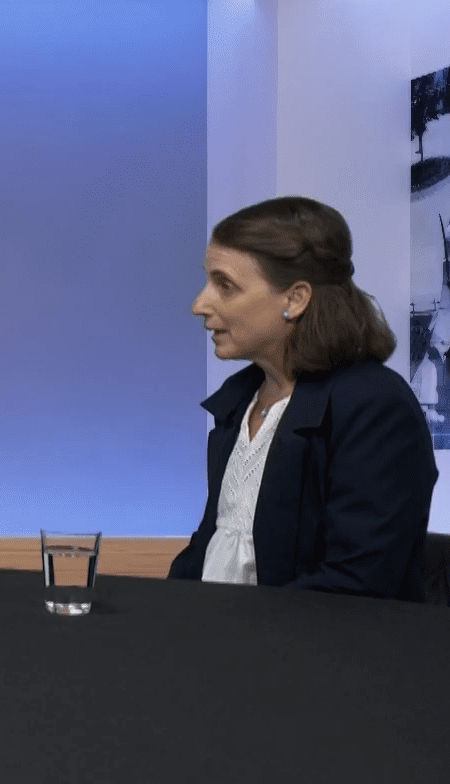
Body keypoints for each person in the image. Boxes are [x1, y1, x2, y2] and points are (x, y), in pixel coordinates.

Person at [169, 196, 437, 599]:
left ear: (295, 299)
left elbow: (355, 585)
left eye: (225, 285)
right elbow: (211, 549)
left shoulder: (376, 406)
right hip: (217, 633)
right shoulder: (240, 401)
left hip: (308, 641)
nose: (199, 305)